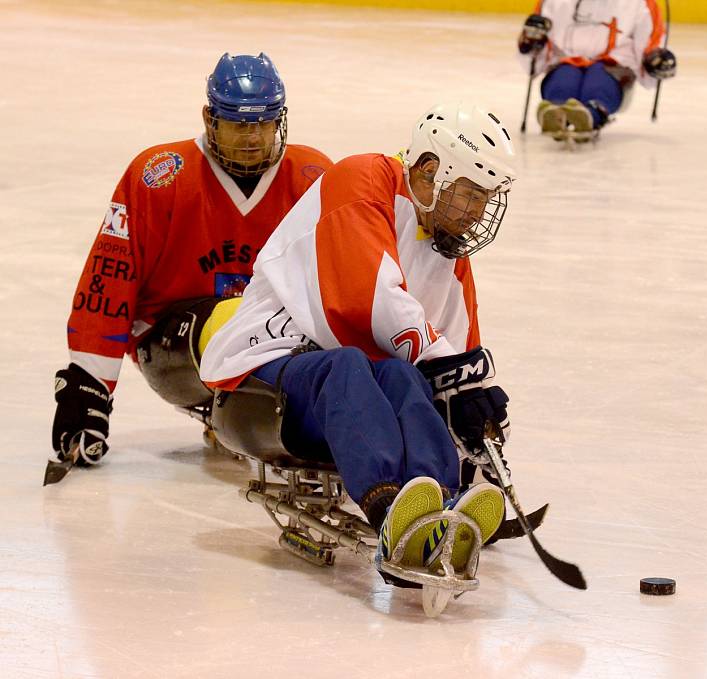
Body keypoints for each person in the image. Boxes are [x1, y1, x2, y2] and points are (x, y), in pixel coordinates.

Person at [199, 102, 516, 580]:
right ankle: (391, 515)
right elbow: (366, 299)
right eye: (469, 194)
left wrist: (478, 437)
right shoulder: (363, 178)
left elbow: (457, 355)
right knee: (347, 364)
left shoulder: (448, 246)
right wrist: (454, 372)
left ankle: (440, 506)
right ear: (430, 170)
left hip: (341, 389)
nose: (476, 212)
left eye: (484, 198)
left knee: (403, 375)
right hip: (257, 380)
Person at [51, 53, 333, 469]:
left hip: (273, 335)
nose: (253, 137)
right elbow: (111, 278)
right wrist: (89, 383)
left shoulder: (313, 178)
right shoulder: (159, 176)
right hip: (175, 345)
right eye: (238, 123)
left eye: (264, 123)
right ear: (209, 118)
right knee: (234, 321)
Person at [517, 0, 677, 141]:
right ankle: (557, 109)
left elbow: (651, 42)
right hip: (565, 62)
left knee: (598, 81)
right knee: (565, 77)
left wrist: (655, 59)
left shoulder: (640, 3)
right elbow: (540, 45)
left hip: (612, 67)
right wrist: (530, 42)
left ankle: (591, 115)